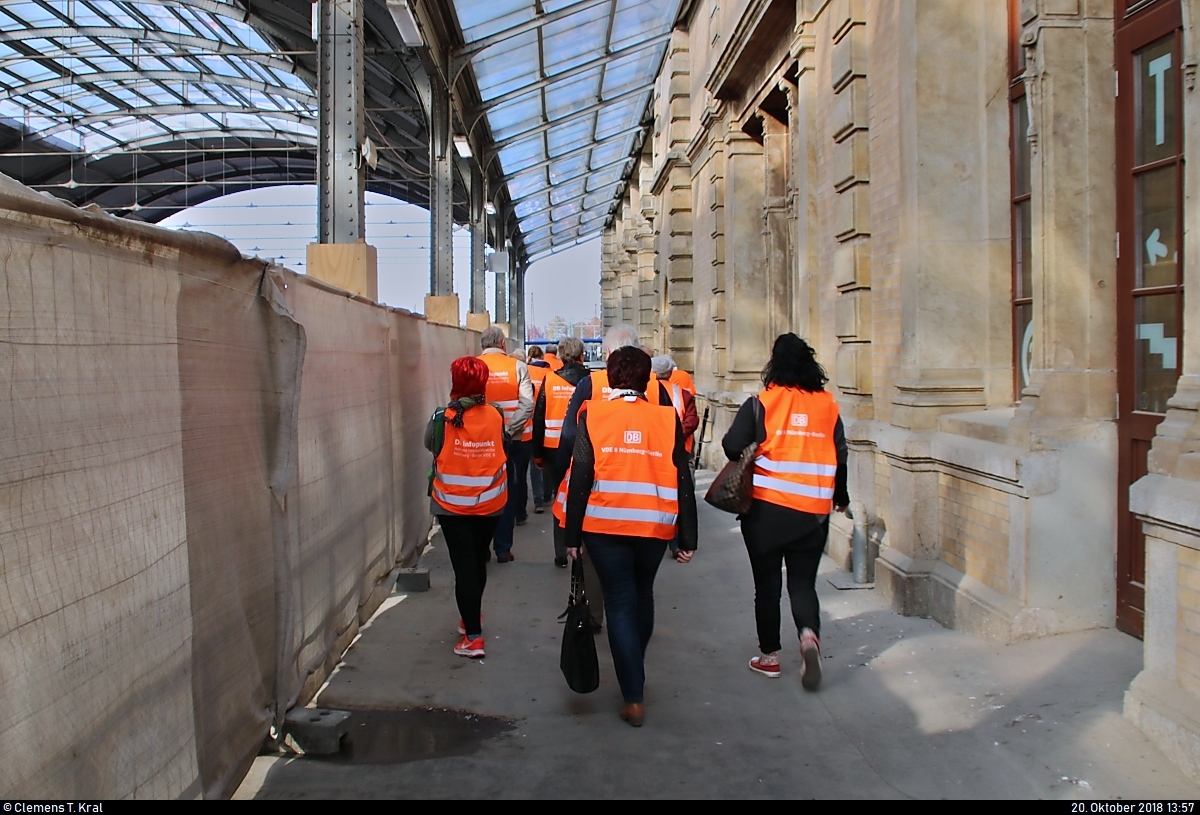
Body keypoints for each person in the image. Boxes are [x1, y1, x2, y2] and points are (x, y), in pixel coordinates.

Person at [564, 346, 698, 727]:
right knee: (643, 595)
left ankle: (633, 695)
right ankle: (633, 667)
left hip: (605, 526)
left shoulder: (595, 414)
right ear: (646, 380)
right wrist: (686, 537)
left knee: (620, 602)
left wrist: (571, 535)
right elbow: (682, 476)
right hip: (653, 526)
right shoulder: (665, 418)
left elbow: (581, 476)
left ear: (611, 376)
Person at [721, 333, 849, 690]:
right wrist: (841, 497)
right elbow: (840, 457)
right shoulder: (828, 406)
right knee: (803, 582)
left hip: (766, 509)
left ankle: (770, 657)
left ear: (773, 365)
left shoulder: (762, 403)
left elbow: (732, 446)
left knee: (767, 585)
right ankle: (808, 636)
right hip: (813, 511)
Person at [424, 356, 509, 658]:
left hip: (451, 505)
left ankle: (473, 637)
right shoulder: (496, 415)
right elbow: (503, 445)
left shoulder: (442, 417)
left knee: (464, 567)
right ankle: (471, 615)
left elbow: (430, 445)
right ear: (483, 382)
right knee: (477, 561)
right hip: (490, 503)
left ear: (455, 382)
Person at [479, 325, 534, 562]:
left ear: (482, 345)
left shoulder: (473, 367)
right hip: (514, 440)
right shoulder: (518, 366)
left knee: (481, 488)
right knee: (509, 489)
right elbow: (527, 404)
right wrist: (509, 430)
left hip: (479, 439)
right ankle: (503, 548)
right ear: (503, 344)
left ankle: (482, 546)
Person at [532, 337, 589, 565]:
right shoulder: (590, 381)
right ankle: (582, 546)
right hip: (584, 449)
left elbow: (538, 418)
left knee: (560, 497)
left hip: (553, 450)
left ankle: (560, 551)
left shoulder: (550, 381)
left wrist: (537, 454)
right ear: (582, 355)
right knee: (585, 496)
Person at [651, 355, 700, 561]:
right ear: (671, 373)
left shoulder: (646, 393)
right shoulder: (682, 394)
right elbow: (692, 420)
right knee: (682, 495)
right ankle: (677, 542)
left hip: (654, 452)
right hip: (681, 450)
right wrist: (677, 435)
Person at [525, 346, 551, 513]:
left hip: (528, 422)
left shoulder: (524, 371)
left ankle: (539, 500)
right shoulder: (551, 374)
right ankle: (548, 494)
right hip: (546, 421)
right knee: (545, 460)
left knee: (533, 463)